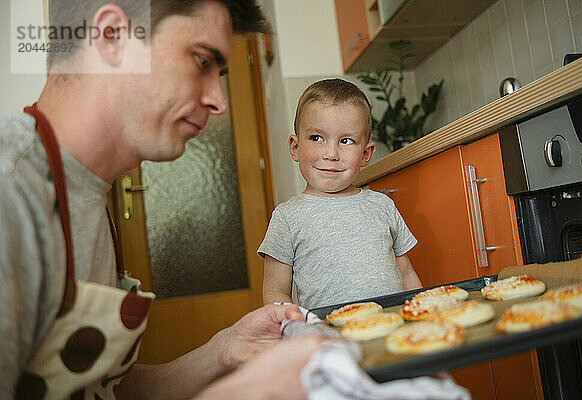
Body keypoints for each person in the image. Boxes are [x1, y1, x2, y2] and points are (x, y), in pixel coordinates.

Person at [0, 1, 323, 399]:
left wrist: (224, 351)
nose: (218, 101)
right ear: (113, 36)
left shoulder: (88, 193)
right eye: (202, 61)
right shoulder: (10, 191)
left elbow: (104, 392)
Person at [260, 78, 423, 309]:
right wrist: (300, 331)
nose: (331, 154)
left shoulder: (383, 205)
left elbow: (407, 274)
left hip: (393, 330)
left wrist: (422, 311)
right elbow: (275, 294)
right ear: (295, 147)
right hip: (328, 338)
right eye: (317, 138)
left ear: (366, 154)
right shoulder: (286, 217)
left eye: (346, 141)